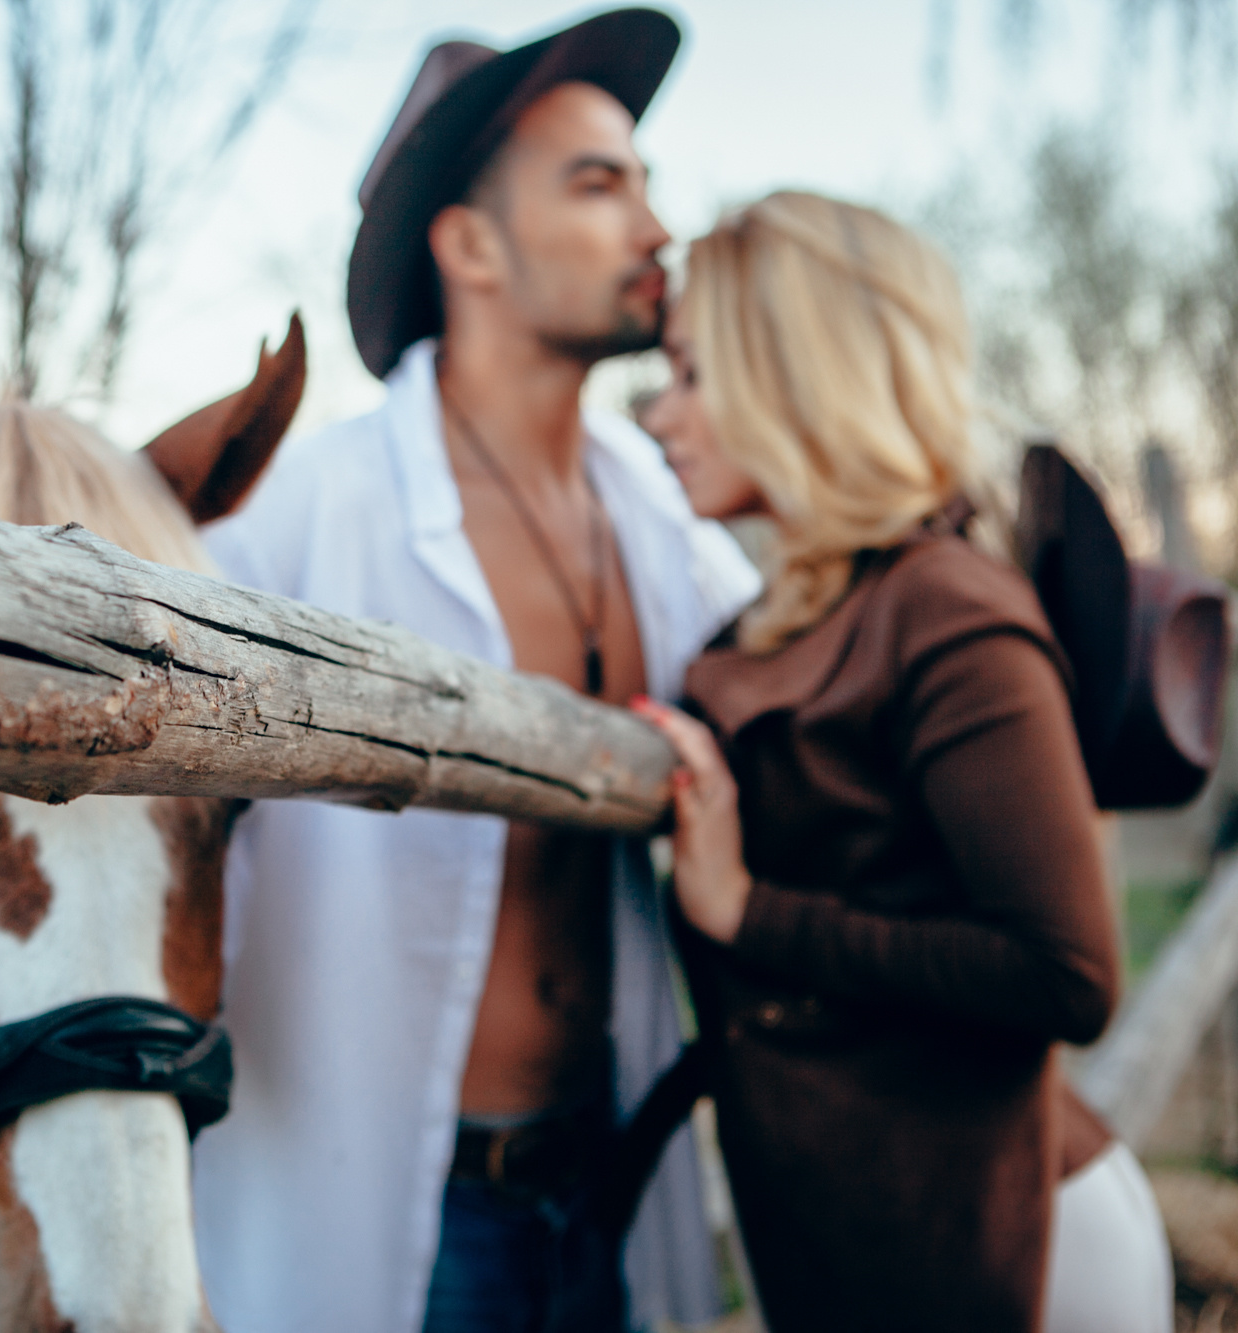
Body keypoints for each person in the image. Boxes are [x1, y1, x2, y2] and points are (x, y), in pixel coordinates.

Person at [190, 10, 758, 1332]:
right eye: (599, 184)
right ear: (469, 247)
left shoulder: (658, 511)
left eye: (645, 181)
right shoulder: (298, 511)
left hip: (606, 1174)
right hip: (394, 1202)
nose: (656, 230)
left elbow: (824, 690)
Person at [635, 190, 1172, 1333]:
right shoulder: (762, 628)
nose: (656, 412)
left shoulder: (946, 610)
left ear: (795, 374)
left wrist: (746, 910)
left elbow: (1066, 973)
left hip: (1011, 1243)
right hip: (849, 1235)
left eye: (690, 373)